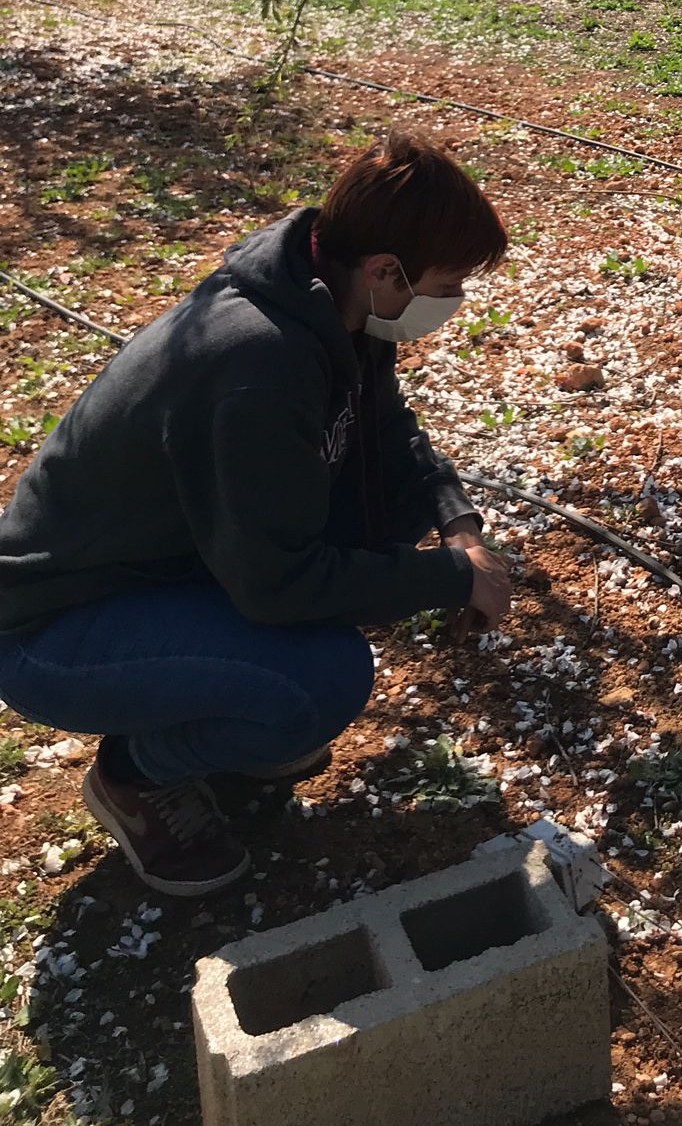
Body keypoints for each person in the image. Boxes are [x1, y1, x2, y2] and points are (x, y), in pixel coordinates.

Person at [0, 131, 515, 897]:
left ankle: (227, 709)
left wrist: (460, 531)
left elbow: (388, 430)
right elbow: (280, 585)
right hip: (53, 628)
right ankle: (134, 774)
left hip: (165, 570)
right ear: (385, 271)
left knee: (392, 506)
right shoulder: (259, 366)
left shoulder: (332, 297)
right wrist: (448, 579)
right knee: (323, 679)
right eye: (448, 284)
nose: (454, 301)